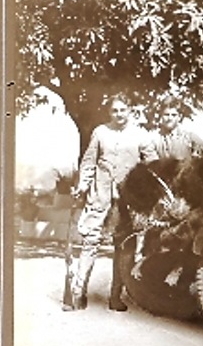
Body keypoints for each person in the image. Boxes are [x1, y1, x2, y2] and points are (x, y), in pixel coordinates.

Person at [66, 93, 158, 312]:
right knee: (90, 242)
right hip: (100, 195)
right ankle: (78, 293)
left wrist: (144, 190)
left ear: (130, 111)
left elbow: (153, 165)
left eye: (122, 110)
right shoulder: (100, 132)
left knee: (125, 246)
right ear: (109, 112)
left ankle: (116, 296)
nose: (118, 114)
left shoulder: (140, 135)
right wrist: (82, 186)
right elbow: (89, 162)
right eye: (114, 110)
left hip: (127, 200)